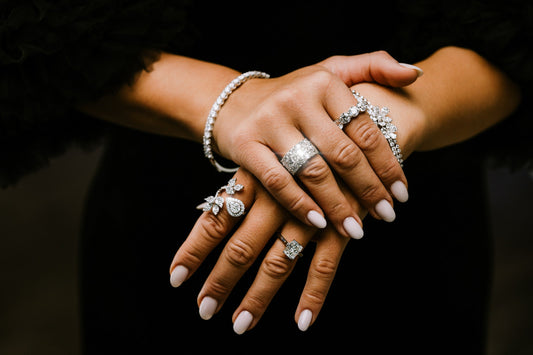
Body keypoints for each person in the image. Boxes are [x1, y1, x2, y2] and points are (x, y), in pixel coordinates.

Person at [1, 1, 530, 354]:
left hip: (412, 226)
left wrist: (389, 117)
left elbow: (515, 27)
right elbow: (36, 26)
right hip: (170, 217)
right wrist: (225, 103)